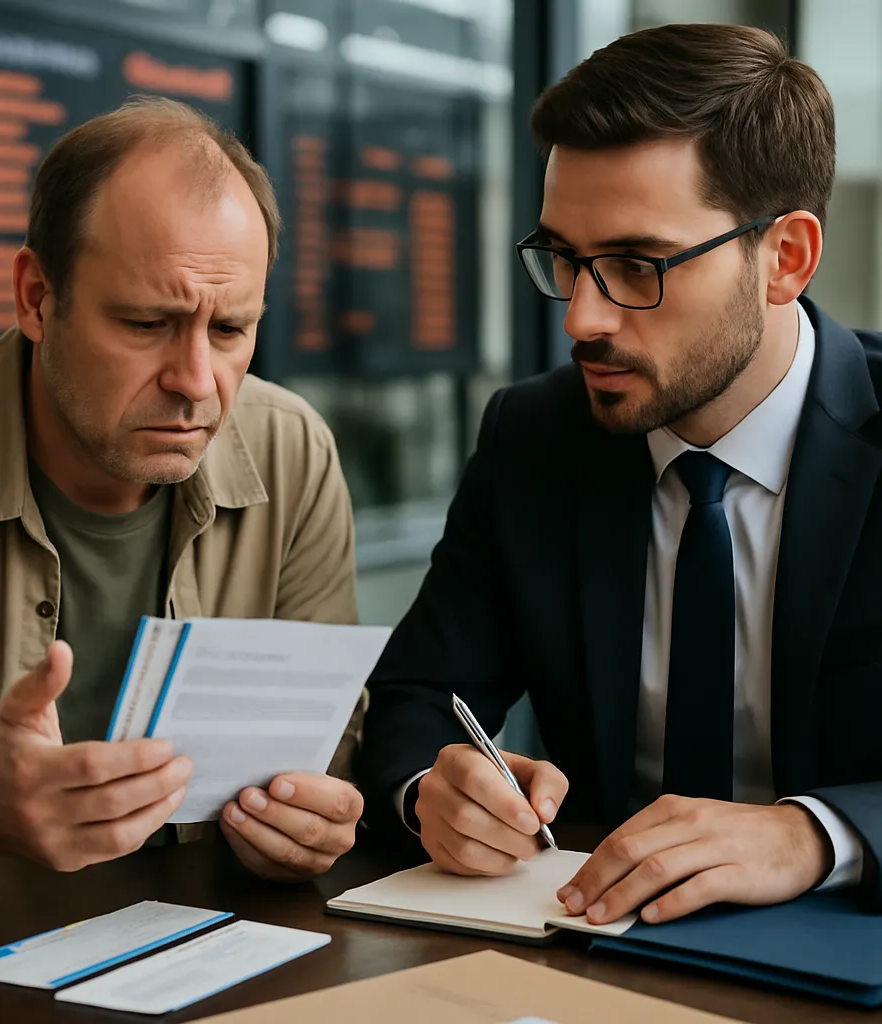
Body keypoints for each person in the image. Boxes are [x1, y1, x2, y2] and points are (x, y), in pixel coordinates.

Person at [356, 23, 882, 925]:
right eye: (564, 258)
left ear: (785, 258)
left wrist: (812, 834)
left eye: (639, 265)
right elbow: (417, 698)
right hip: (588, 939)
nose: (583, 319)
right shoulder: (535, 435)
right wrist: (434, 793)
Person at [0, 97, 364, 893]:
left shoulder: (291, 451)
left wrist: (310, 821)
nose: (196, 382)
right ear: (35, 298)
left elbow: (329, 757)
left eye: (229, 331)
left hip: (204, 953)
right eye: (145, 322)